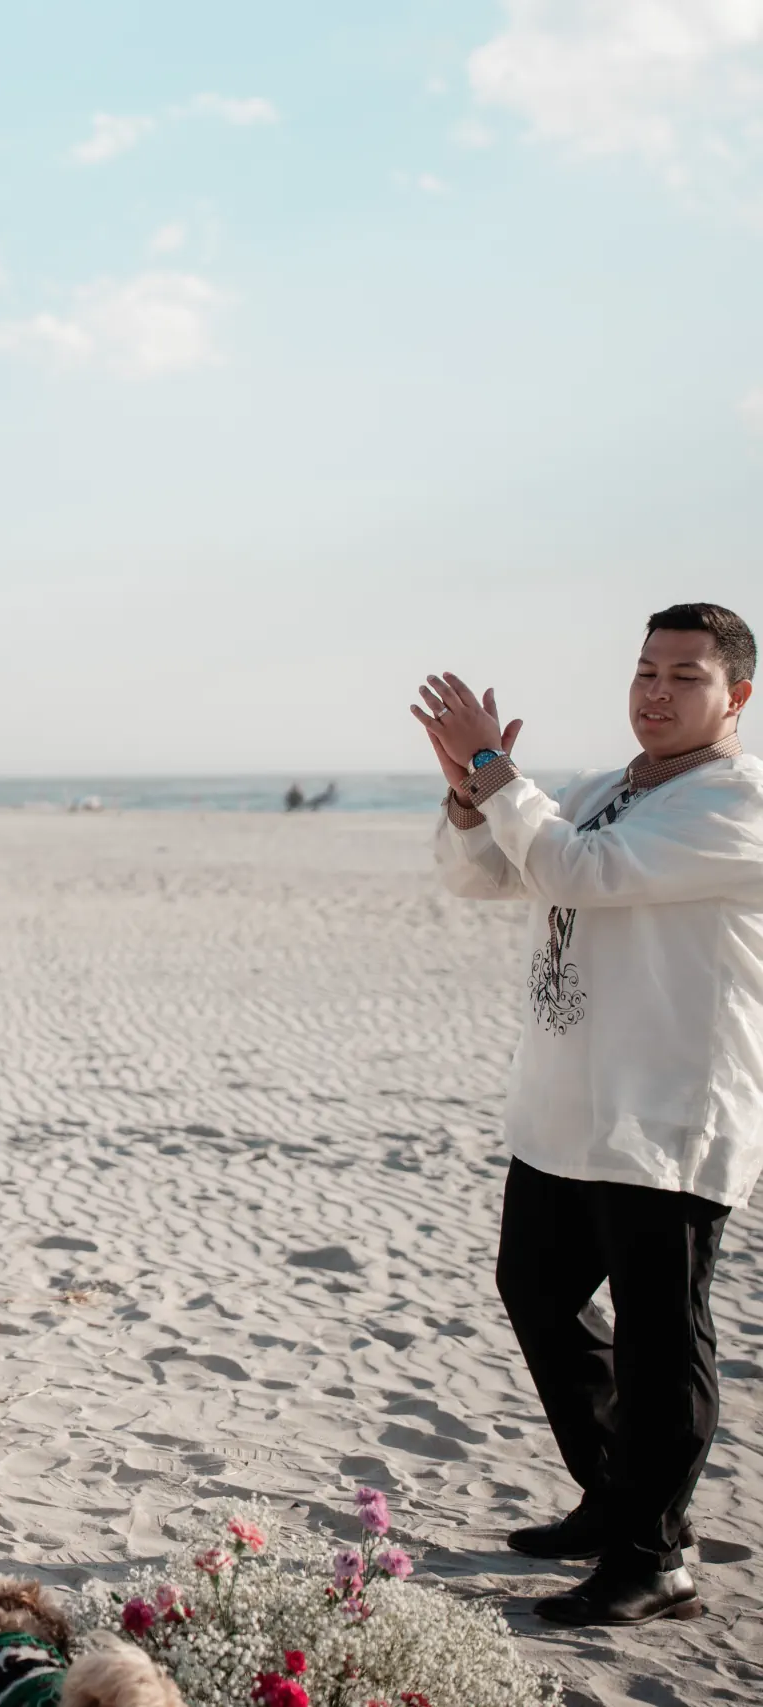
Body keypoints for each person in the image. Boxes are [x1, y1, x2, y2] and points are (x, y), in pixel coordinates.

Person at [419, 601, 763, 1628]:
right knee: (536, 1289)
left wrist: (495, 771)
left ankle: (653, 1556)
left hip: (668, 1109)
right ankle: (617, 1499)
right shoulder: (602, 789)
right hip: (566, 1106)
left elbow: (578, 870)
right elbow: (484, 879)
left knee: (663, 1342)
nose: (654, 692)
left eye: (684, 677)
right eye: (645, 670)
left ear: (735, 696)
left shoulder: (735, 804)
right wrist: (470, 797)